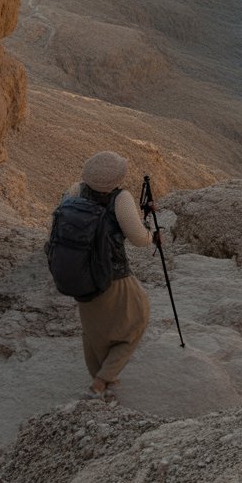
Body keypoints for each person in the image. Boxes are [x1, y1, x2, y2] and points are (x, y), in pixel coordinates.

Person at [66, 150, 156, 399]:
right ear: (117, 178)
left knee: (94, 330)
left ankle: (102, 378)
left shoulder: (74, 192)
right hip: (113, 274)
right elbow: (139, 239)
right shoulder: (121, 198)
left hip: (79, 275)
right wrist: (150, 232)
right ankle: (102, 381)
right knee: (138, 316)